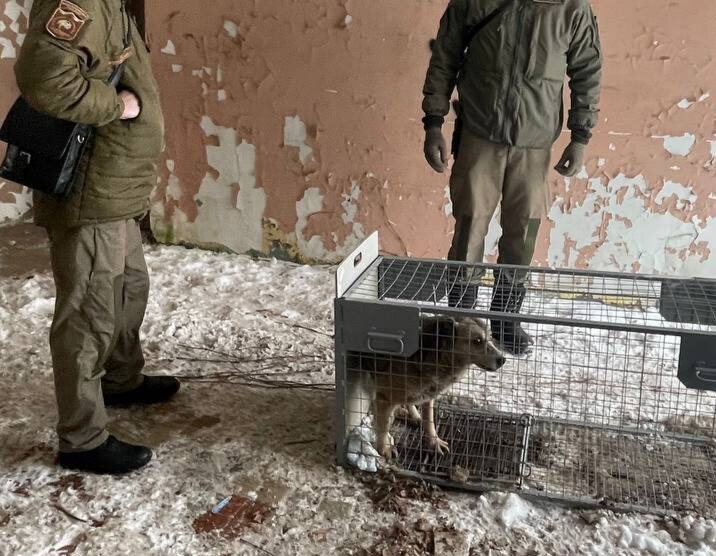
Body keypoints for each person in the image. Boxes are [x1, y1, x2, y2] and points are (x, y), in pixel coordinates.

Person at [14, 0, 177, 474]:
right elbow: (45, 79)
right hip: (91, 192)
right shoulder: (80, 2)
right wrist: (117, 106)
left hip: (115, 188)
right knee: (89, 311)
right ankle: (82, 438)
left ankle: (121, 380)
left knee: (128, 288)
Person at [422, 0, 602, 355]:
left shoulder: (571, 7)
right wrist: (433, 123)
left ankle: (506, 318)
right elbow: (445, 54)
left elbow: (587, 69)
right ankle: (462, 318)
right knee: (469, 226)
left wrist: (580, 136)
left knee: (524, 231)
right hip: (479, 132)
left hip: (535, 143)